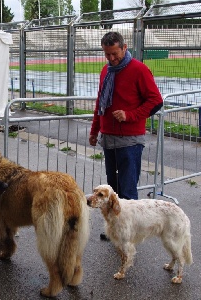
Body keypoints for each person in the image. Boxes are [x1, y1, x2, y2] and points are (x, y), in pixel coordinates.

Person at [89, 32, 163, 240]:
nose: (111, 59)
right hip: (108, 137)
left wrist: (130, 115)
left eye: (114, 54)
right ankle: (115, 228)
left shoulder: (139, 69)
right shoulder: (106, 71)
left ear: (124, 47)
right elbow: (99, 105)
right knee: (112, 189)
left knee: (128, 190)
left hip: (130, 140)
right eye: (107, 55)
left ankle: (128, 232)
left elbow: (155, 101)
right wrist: (94, 130)